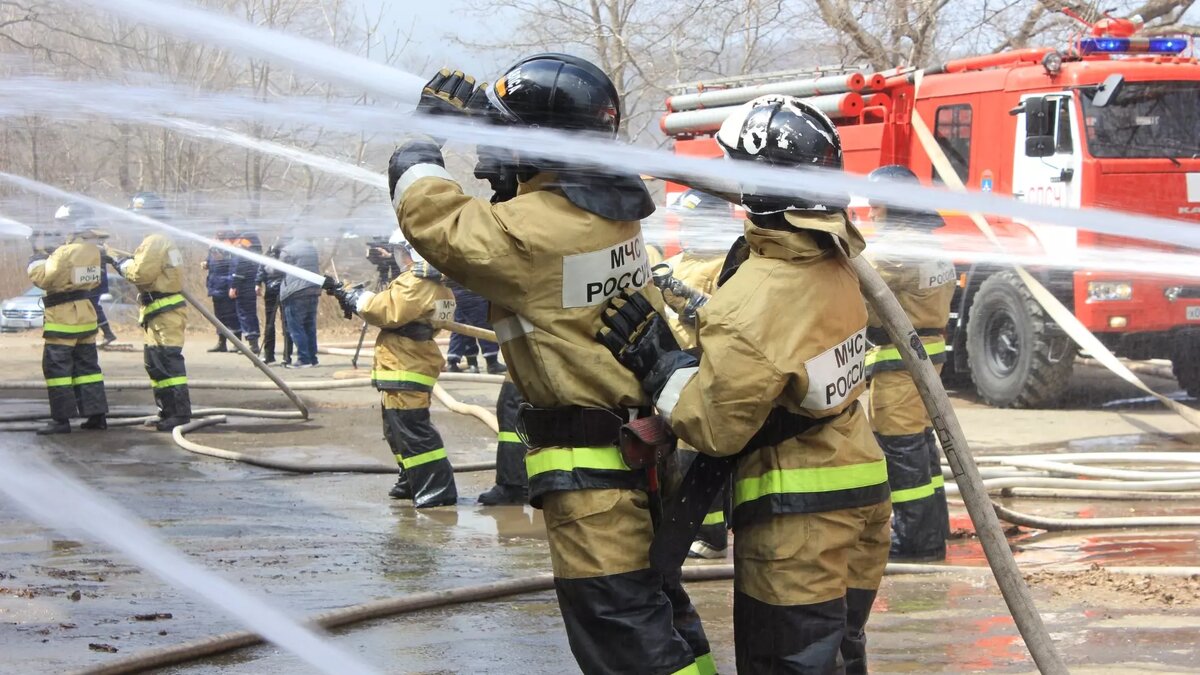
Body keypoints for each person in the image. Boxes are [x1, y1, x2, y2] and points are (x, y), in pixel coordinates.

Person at [388, 56, 713, 675]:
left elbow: (430, 218)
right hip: (642, 452)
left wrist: (426, 135)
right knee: (661, 615)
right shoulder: (608, 214)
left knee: (623, 636)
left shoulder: (526, 235)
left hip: (591, 478)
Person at [598, 96, 890, 673]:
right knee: (841, 653)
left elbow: (715, 426)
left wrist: (661, 365)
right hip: (862, 495)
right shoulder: (839, 258)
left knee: (789, 661)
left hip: (797, 519)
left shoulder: (755, 297)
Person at [864, 164, 955, 562]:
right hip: (924, 359)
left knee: (901, 448)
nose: (869, 214)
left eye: (875, 206)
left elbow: (854, 293)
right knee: (920, 445)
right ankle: (933, 530)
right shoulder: (928, 243)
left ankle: (916, 540)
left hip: (898, 362)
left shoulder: (892, 250)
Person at [330, 234, 459, 507]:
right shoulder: (435, 284)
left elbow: (385, 310)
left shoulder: (418, 282)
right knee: (397, 430)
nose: (400, 258)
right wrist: (355, 296)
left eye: (403, 251)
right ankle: (411, 480)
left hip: (406, 364)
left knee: (413, 431)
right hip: (404, 362)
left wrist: (357, 298)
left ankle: (437, 489)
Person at [655, 189, 734, 559]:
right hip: (674, 366)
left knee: (694, 450)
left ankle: (711, 533)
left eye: (693, 220)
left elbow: (727, 320)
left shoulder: (728, 264)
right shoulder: (678, 260)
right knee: (672, 451)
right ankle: (682, 525)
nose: (685, 227)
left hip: (703, 364)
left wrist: (688, 301)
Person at [112, 192, 191, 432]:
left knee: (168, 363)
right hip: (157, 312)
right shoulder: (160, 239)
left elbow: (139, 274)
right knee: (155, 364)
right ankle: (166, 410)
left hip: (164, 312)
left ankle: (178, 414)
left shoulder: (155, 240)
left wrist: (118, 263)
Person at [27, 212, 109, 434]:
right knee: (88, 369)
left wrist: (36, 257)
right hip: (85, 315)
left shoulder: (64, 252)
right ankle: (97, 416)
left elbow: (44, 277)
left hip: (63, 318)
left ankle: (61, 421)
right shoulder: (93, 251)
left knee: (58, 371)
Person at [54, 203, 119, 348]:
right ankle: (105, 334)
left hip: (90, 280)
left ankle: (100, 335)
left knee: (91, 306)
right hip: (89, 278)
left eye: (66, 222)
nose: (63, 226)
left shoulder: (88, 236)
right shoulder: (81, 235)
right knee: (93, 307)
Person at [444, 281, 505, 374]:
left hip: (455, 291)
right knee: (483, 325)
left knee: (462, 327)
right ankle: (492, 363)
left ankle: (461, 362)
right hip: (470, 289)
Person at [278, 236, 321, 368]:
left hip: (295, 292)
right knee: (309, 326)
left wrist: (272, 256)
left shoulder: (287, 250)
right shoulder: (311, 248)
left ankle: (303, 359)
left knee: (296, 327)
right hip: (313, 289)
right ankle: (313, 358)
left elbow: (276, 269)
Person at [227, 220, 262, 354]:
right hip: (249, 281)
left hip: (245, 282)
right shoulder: (250, 239)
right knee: (247, 312)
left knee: (245, 313)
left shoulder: (245, 240)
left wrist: (235, 284)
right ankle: (252, 343)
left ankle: (253, 344)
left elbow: (242, 263)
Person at [258, 236, 293, 365]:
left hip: (283, 290)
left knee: (284, 323)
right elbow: (262, 267)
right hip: (276, 290)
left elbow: (264, 268)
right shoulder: (273, 253)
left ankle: (285, 356)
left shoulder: (286, 253)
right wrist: (258, 282)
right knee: (272, 323)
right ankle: (273, 355)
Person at [204, 230, 239, 352]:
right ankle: (221, 342)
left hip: (226, 286)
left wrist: (232, 286)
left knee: (232, 315)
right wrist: (206, 263)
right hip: (215, 286)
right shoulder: (213, 247)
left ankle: (236, 343)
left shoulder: (230, 247)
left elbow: (233, 266)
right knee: (219, 317)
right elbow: (211, 261)